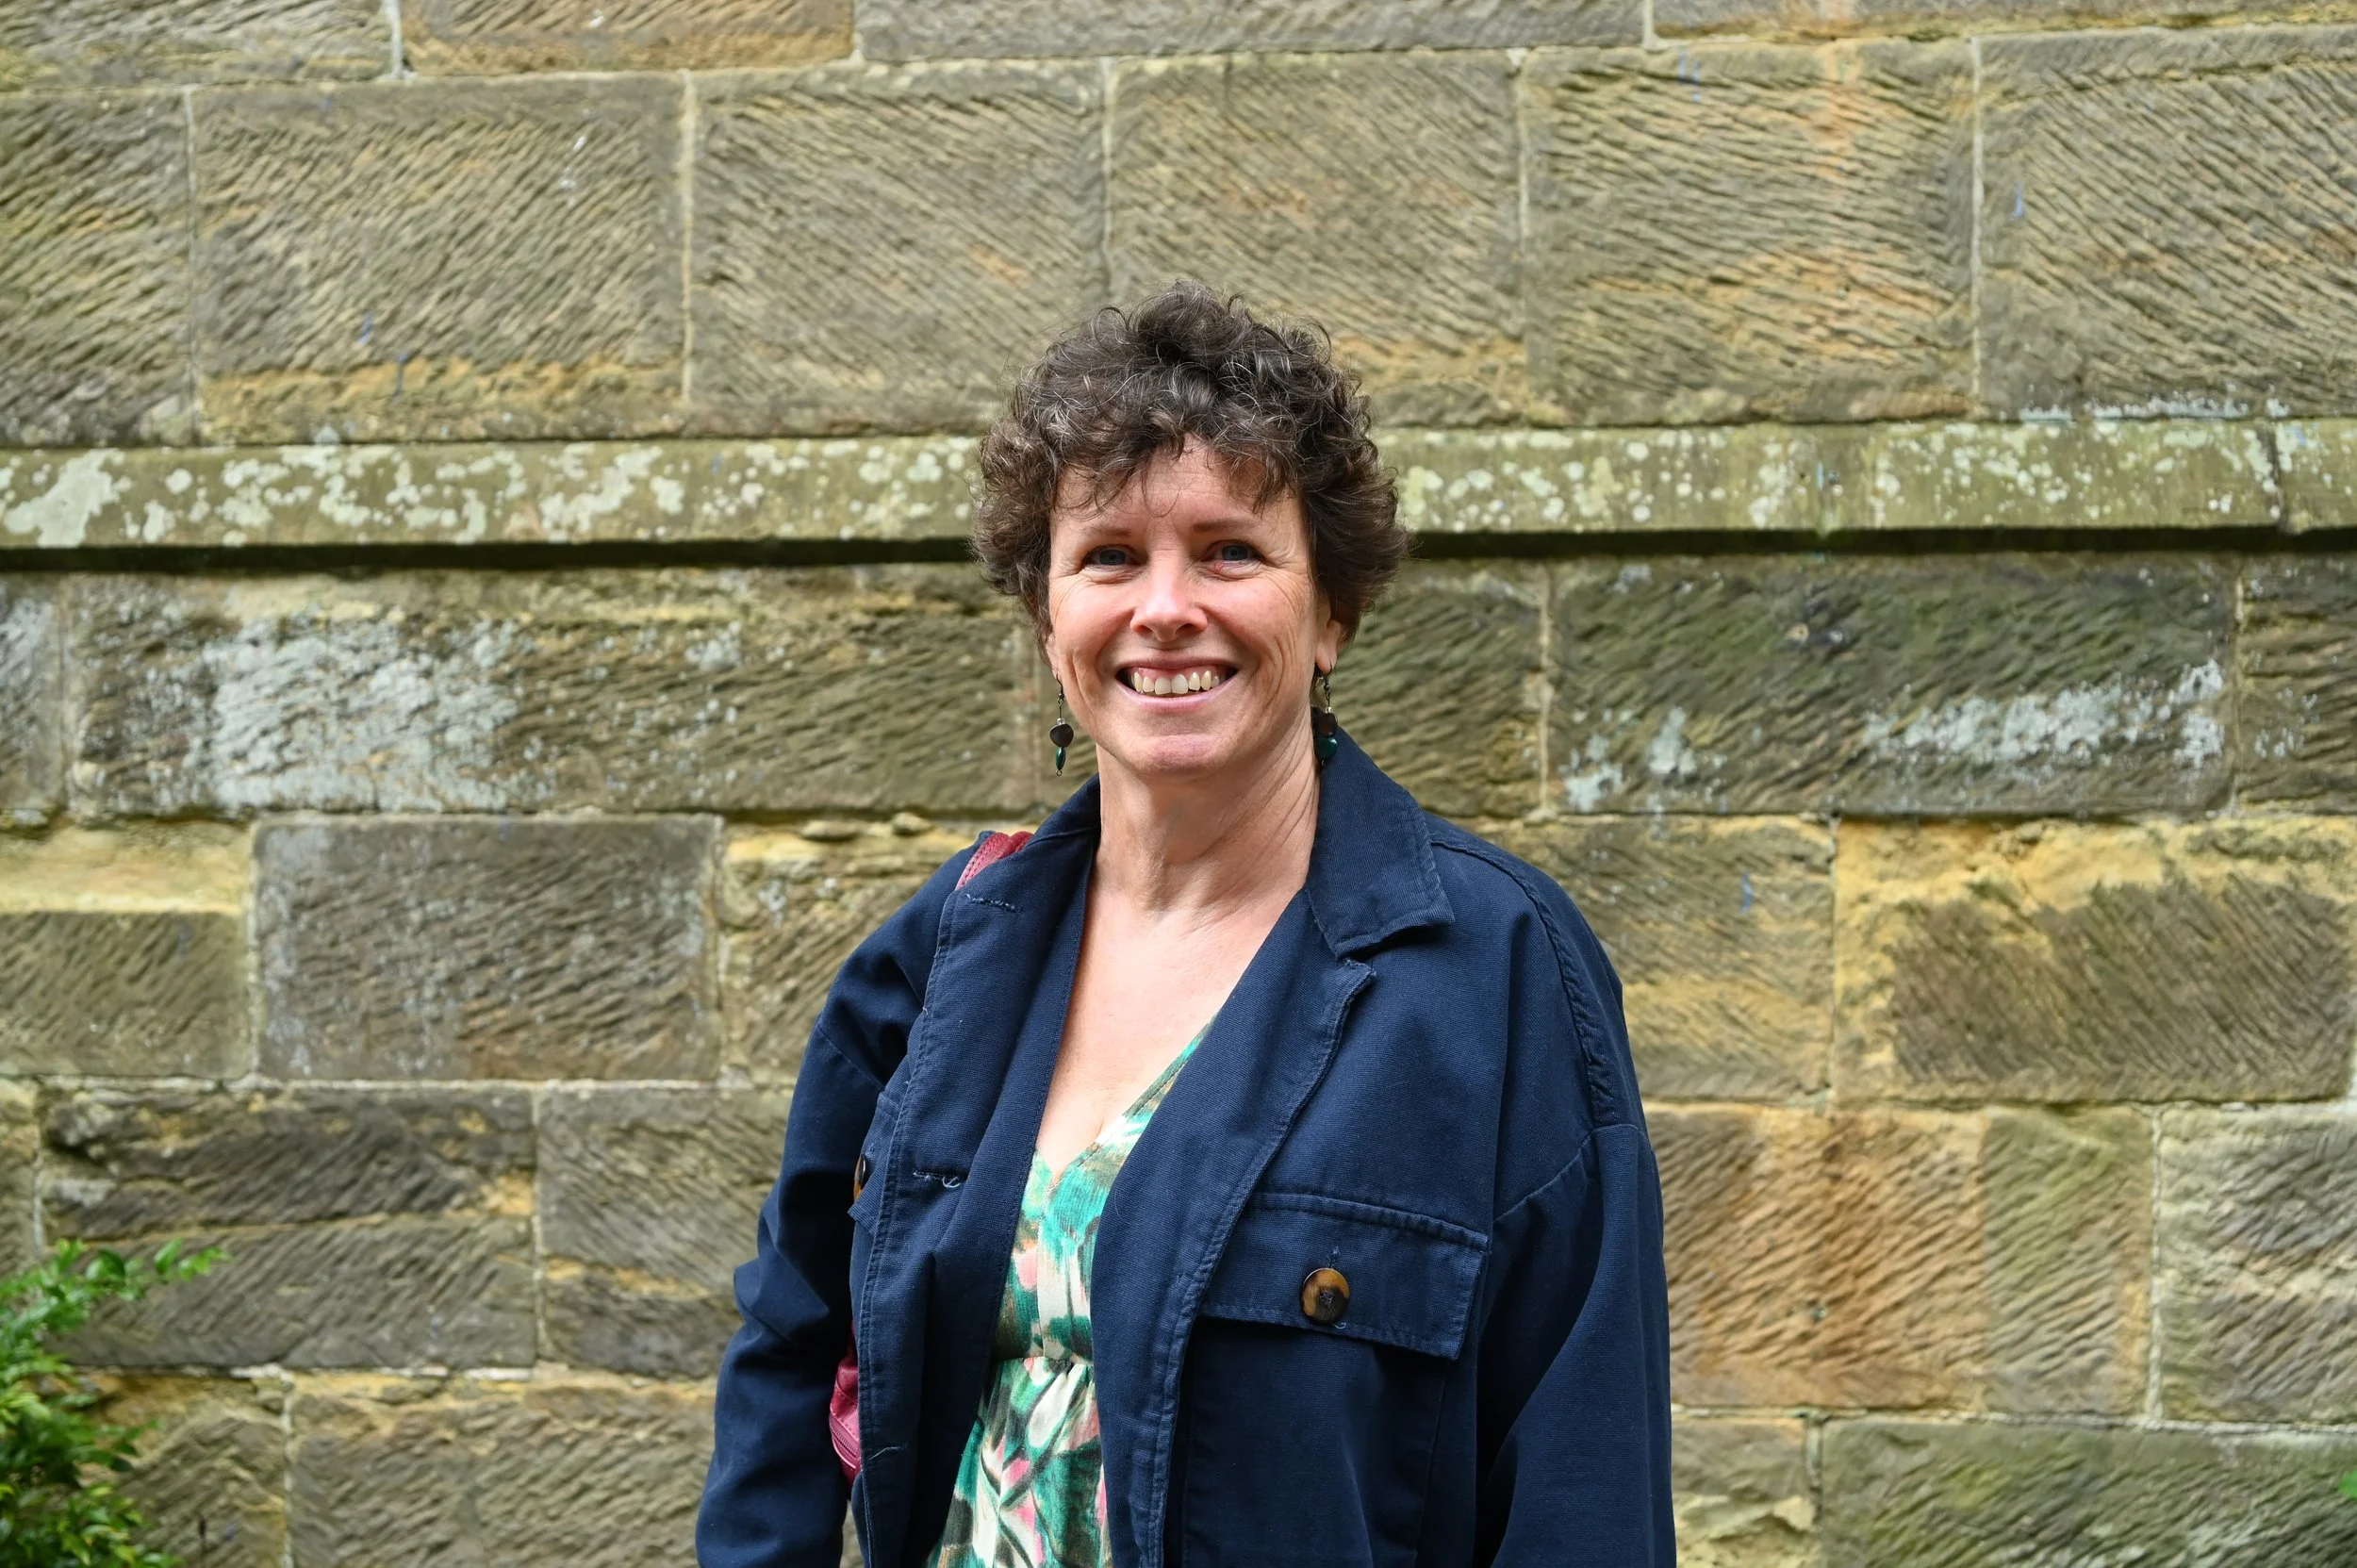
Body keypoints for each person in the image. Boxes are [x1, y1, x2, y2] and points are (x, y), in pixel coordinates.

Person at [698, 283, 1673, 1568]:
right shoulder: (945, 952)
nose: (1166, 605)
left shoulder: (1490, 974)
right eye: (1109, 555)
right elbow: (790, 1345)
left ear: (1330, 613)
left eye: (1229, 550)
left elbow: (1581, 1494)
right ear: (1050, 621)